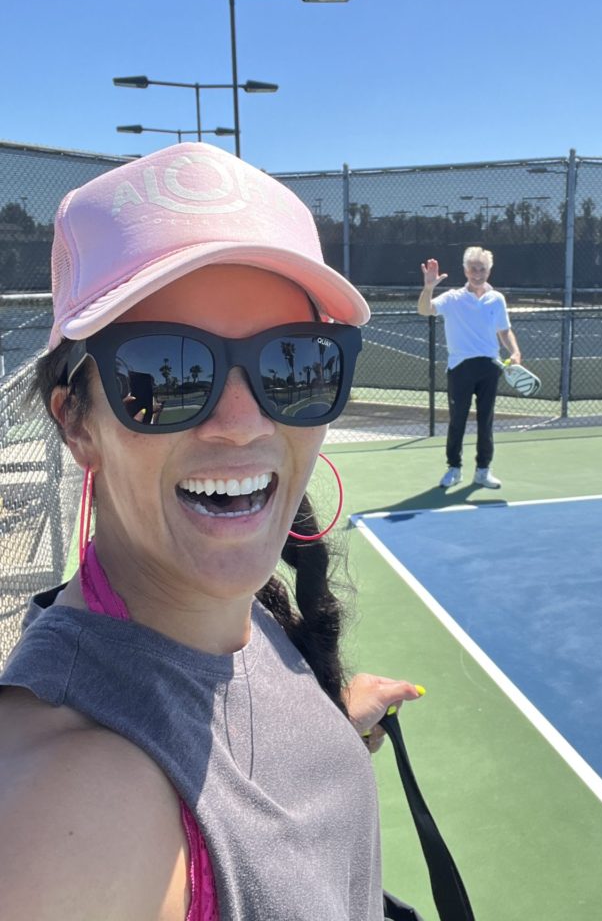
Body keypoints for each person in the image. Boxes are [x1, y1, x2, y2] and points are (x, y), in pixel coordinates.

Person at [0, 143, 424, 921]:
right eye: (165, 373)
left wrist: (325, 734)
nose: (245, 422)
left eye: (293, 363)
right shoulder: (75, 806)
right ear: (77, 424)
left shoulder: (236, 621)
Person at [418, 246, 521, 489]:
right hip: (460, 368)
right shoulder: (452, 298)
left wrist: (515, 351)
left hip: (490, 367)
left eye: (482, 269)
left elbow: (504, 331)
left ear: (489, 271)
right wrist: (428, 287)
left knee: (486, 422)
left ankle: (483, 471)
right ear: (465, 271)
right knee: (458, 421)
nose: (477, 273)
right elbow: (424, 310)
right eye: (473, 268)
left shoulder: (496, 299)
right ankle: (454, 469)